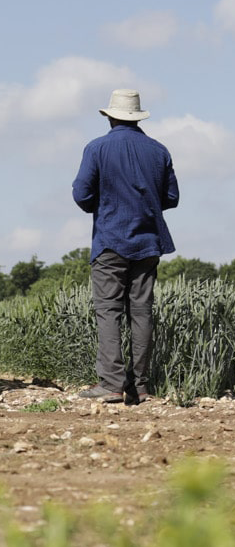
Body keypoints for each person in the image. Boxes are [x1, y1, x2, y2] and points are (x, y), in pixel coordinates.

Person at [72, 89, 179, 404]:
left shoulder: (97, 148)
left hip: (110, 239)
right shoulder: (159, 151)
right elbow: (171, 198)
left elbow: (81, 194)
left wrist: (103, 206)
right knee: (142, 312)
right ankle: (140, 385)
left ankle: (111, 384)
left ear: (110, 116)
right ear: (138, 116)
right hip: (148, 242)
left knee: (108, 311)